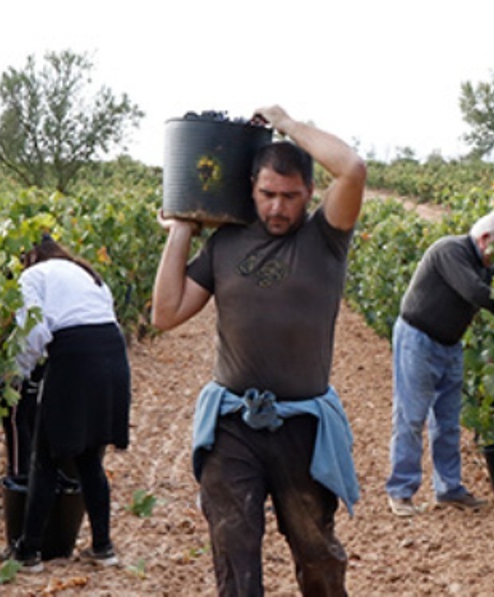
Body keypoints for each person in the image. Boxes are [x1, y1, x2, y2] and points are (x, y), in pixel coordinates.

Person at [151, 105, 366, 596]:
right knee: (234, 552)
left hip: (302, 427)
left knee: (317, 554)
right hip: (233, 427)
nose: (277, 208)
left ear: (310, 194)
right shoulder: (225, 244)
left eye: (290, 197)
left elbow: (352, 168)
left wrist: (287, 125)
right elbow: (165, 314)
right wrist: (182, 227)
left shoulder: (325, 238)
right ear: (251, 187)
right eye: (267, 194)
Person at [0, 234, 132, 572]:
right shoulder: (85, 272)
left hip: (75, 356)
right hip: (113, 356)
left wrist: (19, 375)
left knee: (46, 455)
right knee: (89, 456)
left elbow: (34, 332)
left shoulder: (32, 277)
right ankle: (103, 547)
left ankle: (28, 553)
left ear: (28, 256)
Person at [385, 211, 494, 517]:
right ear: (485, 239)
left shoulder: (485, 265)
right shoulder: (451, 250)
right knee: (411, 416)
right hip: (417, 339)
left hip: (450, 344)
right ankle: (401, 492)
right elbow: (475, 292)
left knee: (447, 422)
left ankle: (449, 489)